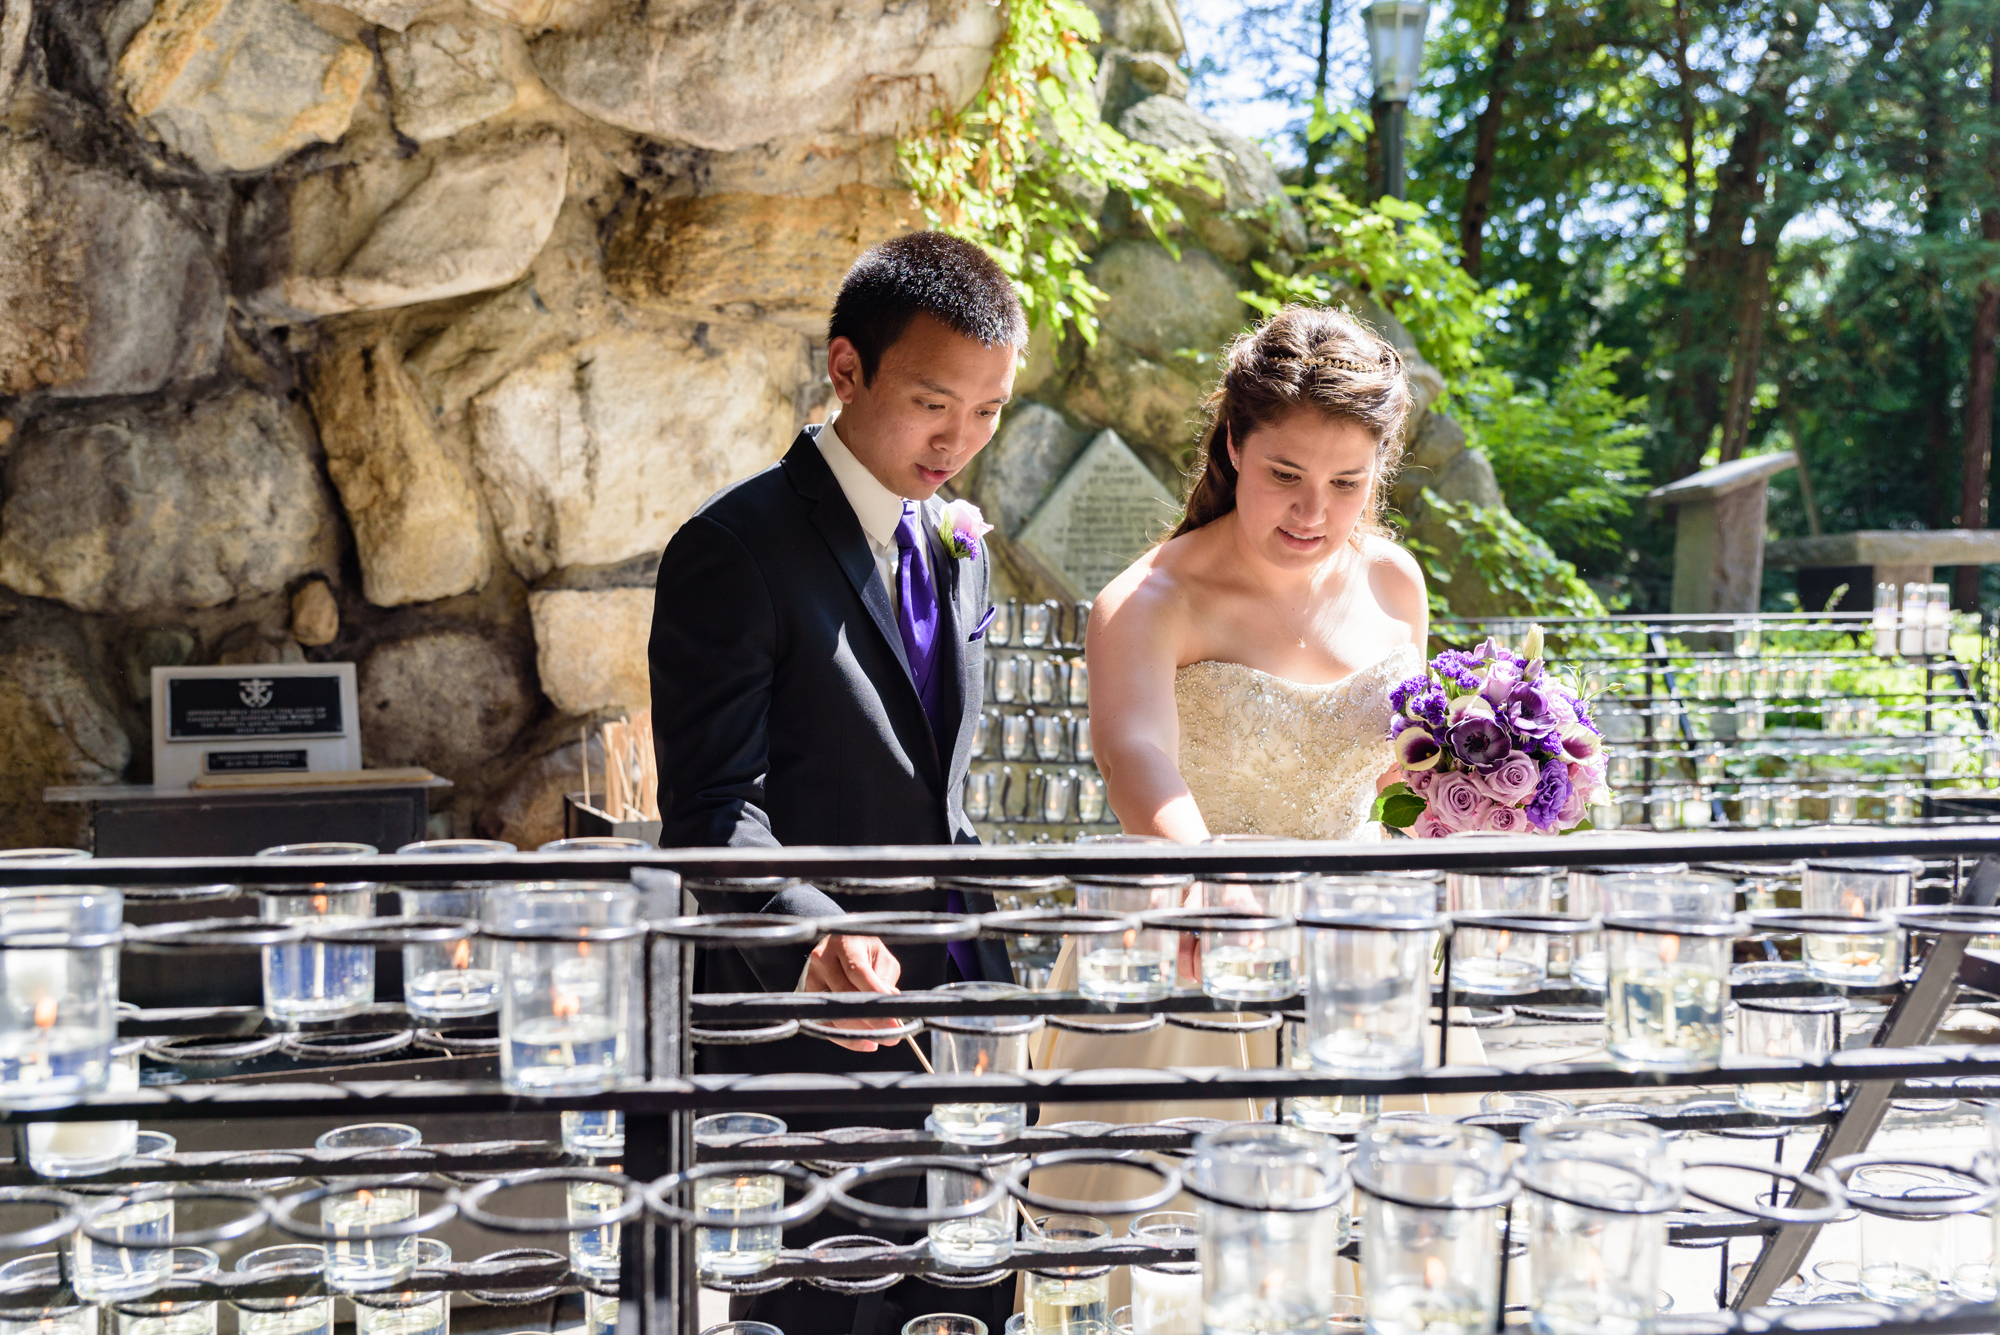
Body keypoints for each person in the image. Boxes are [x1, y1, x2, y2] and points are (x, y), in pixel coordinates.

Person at [1029, 310, 1467, 1268]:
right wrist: (1211, 880)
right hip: (1189, 939)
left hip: (1361, 955)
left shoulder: (1397, 583)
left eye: (1346, 484)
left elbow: (1399, 777)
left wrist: (1474, 789)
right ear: (1235, 444)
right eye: (1285, 476)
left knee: (1377, 1255)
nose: (1313, 511)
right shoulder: (1148, 598)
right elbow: (1134, 753)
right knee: (1169, 1259)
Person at [646, 231, 1021, 1334]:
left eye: (991, 410)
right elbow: (713, 811)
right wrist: (811, 935)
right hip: (818, 1029)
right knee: (833, 1311)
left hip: (960, 1011)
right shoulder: (730, 548)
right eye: (932, 403)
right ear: (844, 368)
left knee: (970, 1301)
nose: (960, 439)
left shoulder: (956, 541)